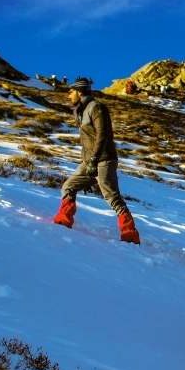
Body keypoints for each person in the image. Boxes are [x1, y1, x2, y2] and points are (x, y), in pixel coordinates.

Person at [53, 77, 141, 244]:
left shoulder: (96, 108)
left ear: (79, 92)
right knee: (69, 186)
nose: (69, 95)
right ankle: (63, 221)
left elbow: (103, 135)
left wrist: (94, 160)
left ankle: (130, 235)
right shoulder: (81, 110)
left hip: (103, 160)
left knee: (112, 197)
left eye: (71, 91)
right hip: (89, 162)